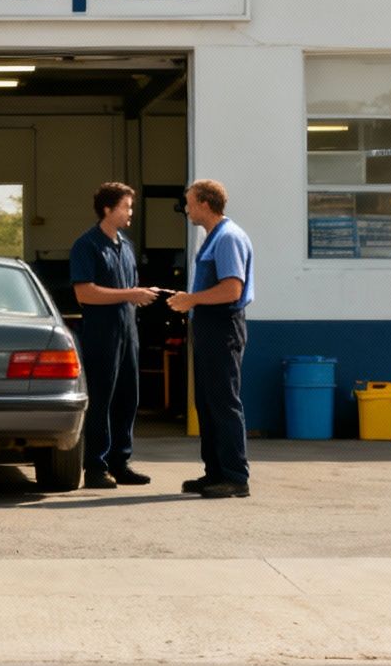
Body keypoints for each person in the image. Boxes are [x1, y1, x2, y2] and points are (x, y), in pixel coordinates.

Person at [69, 182, 162, 488]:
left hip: (128, 333)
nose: (130, 212)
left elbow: (128, 290)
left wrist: (137, 295)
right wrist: (131, 293)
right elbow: (85, 293)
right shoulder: (87, 245)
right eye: (126, 206)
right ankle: (95, 467)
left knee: (127, 399)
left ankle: (120, 462)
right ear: (107, 209)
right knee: (102, 401)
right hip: (102, 335)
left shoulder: (125, 245)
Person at [165, 179, 254, 499]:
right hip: (208, 326)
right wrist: (193, 301)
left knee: (223, 403)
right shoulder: (214, 238)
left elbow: (233, 289)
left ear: (205, 203)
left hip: (222, 326)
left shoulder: (228, 238)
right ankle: (214, 472)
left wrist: (192, 300)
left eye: (189, 202)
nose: (185, 208)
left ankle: (235, 476)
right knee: (206, 402)